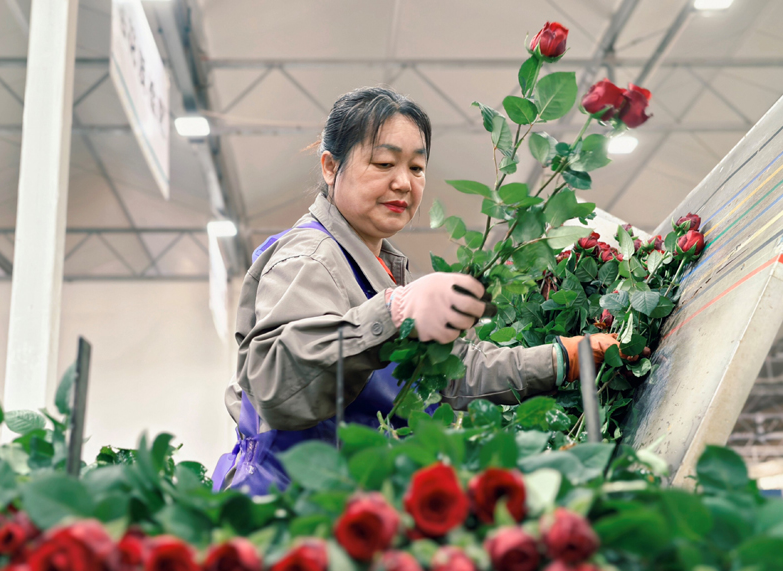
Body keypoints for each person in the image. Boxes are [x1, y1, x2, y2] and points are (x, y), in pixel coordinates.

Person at [213, 86, 621, 495]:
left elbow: (458, 372)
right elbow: (276, 383)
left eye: (417, 168)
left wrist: (562, 358)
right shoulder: (311, 257)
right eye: (384, 162)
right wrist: (393, 312)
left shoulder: (384, 270)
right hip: (289, 509)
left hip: (355, 505)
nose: (403, 183)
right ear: (330, 167)